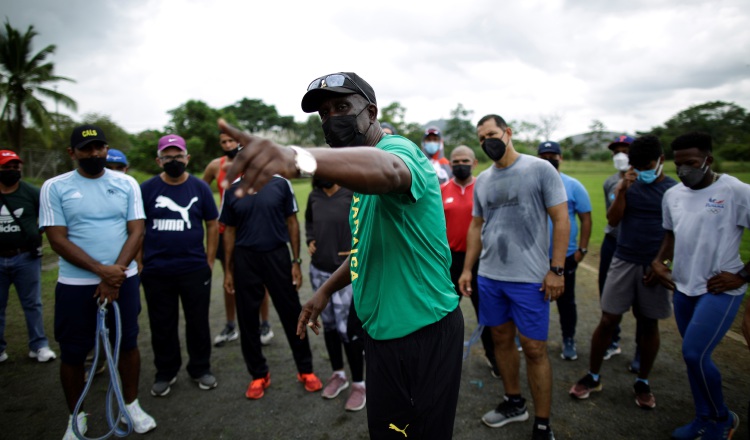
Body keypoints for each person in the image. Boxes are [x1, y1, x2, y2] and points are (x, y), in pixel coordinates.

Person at [220, 72, 462, 439]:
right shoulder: (358, 182)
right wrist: (325, 290)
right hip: (381, 333)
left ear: (371, 111)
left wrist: (296, 158)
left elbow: (390, 171)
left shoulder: (400, 152)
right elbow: (367, 249)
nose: (332, 118)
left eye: (342, 107)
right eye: (324, 113)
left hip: (422, 330)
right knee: (389, 432)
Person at [41, 125, 156, 438]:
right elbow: (56, 239)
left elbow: (136, 230)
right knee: (73, 351)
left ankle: (130, 404)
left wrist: (116, 272)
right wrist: (100, 271)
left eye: (99, 148)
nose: (94, 154)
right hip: (75, 283)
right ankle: (76, 416)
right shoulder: (55, 186)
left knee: (128, 343)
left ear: (106, 149)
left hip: (124, 279)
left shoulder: (126, 182)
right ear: (72, 153)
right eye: (86, 149)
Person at [459, 115, 569, 440]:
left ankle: (543, 423)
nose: (486, 141)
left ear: (507, 133)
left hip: (530, 279)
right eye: (481, 138)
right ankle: (514, 401)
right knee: (501, 340)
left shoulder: (539, 169)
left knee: (534, 348)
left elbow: (561, 219)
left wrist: (557, 269)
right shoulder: (484, 180)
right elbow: (477, 225)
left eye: (491, 134)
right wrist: (467, 269)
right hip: (491, 277)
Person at [651, 132, 747, 439]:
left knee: (695, 353)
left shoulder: (735, 191)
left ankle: (722, 419)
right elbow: (670, 235)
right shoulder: (673, 195)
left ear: (709, 160)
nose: (683, 171)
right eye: (678, 164)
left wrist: (742, 276)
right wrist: (658, 261)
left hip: (720, 288)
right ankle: (702, 418)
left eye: (691, 163)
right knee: (693, 358)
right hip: (683, 287)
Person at [570, 134, 677, 410]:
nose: (641, 170)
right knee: (608, 318)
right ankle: (593, 375)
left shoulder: (673, 190)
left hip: (653, 263)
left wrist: (661, 263)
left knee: (648, 321)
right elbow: (613, 219)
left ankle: (643, 380)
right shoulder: (628, 184)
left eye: (647, 164)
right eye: (636, 165)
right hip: (624, 259)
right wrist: (623, 189)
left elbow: (676, 232)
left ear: (661, 161)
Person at [220, 159, 322, 400]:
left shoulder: (280, 184)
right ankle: (258, 374)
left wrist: (295, 261)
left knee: (291, 314)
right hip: (246, 258)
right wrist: (229, 270)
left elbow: (292, 223)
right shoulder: (232, 190)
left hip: (277, 255)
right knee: (247, 319)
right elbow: (230, 231)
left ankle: (305, 370)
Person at [139, 135, 219, 396]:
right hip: (156, 270)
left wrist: (208, 260)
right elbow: (137, 228)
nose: (173, 161)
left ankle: (200, 368)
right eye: (168, 157)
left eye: (178, 156)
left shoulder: (199, 188)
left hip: (194, 268)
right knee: (162, 323)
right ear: (159, 160)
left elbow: (211, 224)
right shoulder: (147, 189)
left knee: (198, 322)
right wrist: (140, 262)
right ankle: (166, 371)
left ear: (187, 158)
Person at [203, 132, 274, 347]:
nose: (227, 145)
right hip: (228, 229)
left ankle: (265, 323)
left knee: (260, 280)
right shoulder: (216, 165)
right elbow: (200, 190)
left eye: (230, 141)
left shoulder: (253, 163)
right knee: (229, 278)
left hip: (252, 226)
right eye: (223, 141)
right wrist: (212, 211)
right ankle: (231, 325)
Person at [305, 177, 365, 411]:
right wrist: (310, 239)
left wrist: (356, 248)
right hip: (319, 271)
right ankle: (338, 374)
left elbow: (366, 225)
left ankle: (359, 384)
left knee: (349, 331)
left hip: (345, 275)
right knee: (328, 326)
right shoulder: (314, 196)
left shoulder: (353, 192)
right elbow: (309, 221)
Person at [441, 145, 499, 377]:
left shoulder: (484, 188)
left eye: (464, 160)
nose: (459, 165)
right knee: (445, 313)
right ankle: (442, 359)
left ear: (474, 163)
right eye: (455, 161)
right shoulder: (441, 190)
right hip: (450, 261)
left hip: (481, 261)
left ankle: (494, 358)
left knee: (486, 312)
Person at [537, 141, 592, 361]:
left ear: (561, 158)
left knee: (566, 300)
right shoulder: (533, 183)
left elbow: (586, 218)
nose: (549, 159)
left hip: (565, 255)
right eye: (544, 155)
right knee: (532, 297)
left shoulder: (573, 185)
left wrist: (582, 249)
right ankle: (530, 338)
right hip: (537, 255)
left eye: (553, 155)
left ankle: (568, 338)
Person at [0, 150, 56, 364]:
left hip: (25, 257)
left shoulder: (32, 193)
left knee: (32, 303)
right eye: (7, 167)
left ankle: (39, 345)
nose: (12, 171)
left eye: (15, 167)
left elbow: (46, 217)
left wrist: (33, 235)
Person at [599, 135, 639, 364]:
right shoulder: (609, 182)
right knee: (608, 297)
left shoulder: (650, 182)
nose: (620, 155)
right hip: (613, 241)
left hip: (639, 246)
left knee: (642, 305)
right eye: (616, 152)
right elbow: (612, 218)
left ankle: (641, 352)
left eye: (625, 150)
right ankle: (613, 341)